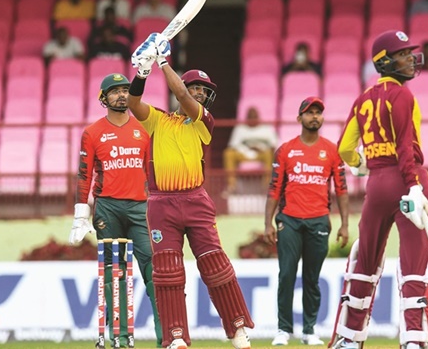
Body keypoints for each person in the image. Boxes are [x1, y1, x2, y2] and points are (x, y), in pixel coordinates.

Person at [127, 32, 254, 349]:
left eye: (203, 90)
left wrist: (163, 61)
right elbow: (132, 103)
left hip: (195, 200)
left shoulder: (203, 120)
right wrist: (142, 72)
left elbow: (182, 95)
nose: (197, 93)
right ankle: (176, 337)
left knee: (214, 263)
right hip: (161, 204)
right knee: (167, 272)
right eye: (195, 87)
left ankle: (237, 327)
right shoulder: (158, 120)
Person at [329, 30, 428, 349]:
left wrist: (362, 163)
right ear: (384, 62)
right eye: (402, 54)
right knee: (415, 260)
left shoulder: (363, 98)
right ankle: (414, 341)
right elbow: (406, 146)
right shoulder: (402, 94)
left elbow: (344, 148)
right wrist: (414, 186)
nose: (409, 59)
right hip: (407, 178)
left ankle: (348, 339)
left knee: (366, 260)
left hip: (376, 184)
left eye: (408, 53)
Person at [69, 73, 162, 348]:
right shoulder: (93, 132)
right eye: (115, 91)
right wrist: (79, 215)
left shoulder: (144, 130)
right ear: (103, 98)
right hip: (107, 209)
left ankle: (166, 337)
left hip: (140, 208)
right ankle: (121, 337)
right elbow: (84, 175)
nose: (122, 95)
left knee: (153, 271)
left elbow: (152, 173)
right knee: (114, 273)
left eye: (125, 90)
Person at [264, 96, 350, 346]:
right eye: (309, 112)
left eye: (318, 113)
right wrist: (268, 223)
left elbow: (342, 190)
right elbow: (274, 189)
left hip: (319, 221)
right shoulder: (286, 150)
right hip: (289, 220)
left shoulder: (332, 150)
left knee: (312, 278)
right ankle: (283, 329)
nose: (315, 116)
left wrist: (345, 224)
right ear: (299, 118)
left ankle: (309, 330)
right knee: (287, 274)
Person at [223, 106, 278, 195]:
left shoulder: (266, 128)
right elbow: (232, 146)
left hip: (262, 153)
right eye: (250, 117)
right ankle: (232, 186)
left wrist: (261, 148)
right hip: (244, 154)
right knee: (228, 153)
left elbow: (274, 145)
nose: (252, 119)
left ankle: (267, 187)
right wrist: (247, 148)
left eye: (254, 117)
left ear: (258, 117)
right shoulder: (240, 128)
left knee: (269, 154)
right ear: (246, 118)